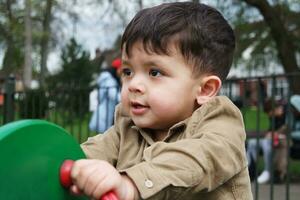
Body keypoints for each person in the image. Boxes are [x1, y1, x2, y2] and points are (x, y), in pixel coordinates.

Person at [70, 2, 252, 200]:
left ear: (205, 89)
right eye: (128, 71)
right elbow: (84, 156)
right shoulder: (126, 130)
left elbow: (198, 159)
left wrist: (131, 184)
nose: (133, 84)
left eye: (154, 72)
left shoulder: (221, 124)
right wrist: (63, 166)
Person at [246, 98, 288, 183]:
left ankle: (267, 171)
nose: (281, 110)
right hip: (267, 138)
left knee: (266, 144)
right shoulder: (269, 117)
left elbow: (285, 129)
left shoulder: (284, 117)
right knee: (252, 143)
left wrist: (275, 133)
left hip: (276, 140)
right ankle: (251, 168)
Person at [89, 58, 122, 133]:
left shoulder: (109, 79)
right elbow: (113, 95)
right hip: (105, 111)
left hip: (107, 110)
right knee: (104, 135)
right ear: (116, 69)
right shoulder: (109, 80)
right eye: (121, 69)